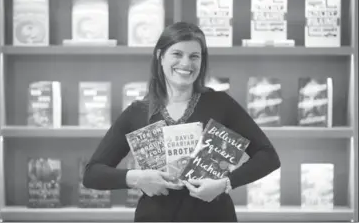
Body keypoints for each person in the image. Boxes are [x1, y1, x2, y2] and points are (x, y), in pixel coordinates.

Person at [82, 21, 281, 222]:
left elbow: (268, 156)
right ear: (160, 56)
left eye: (194, 56)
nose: (186, 63)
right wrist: (137, 179)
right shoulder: (138, 112)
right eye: (177, 54)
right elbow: (92, 173)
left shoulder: (221, 104)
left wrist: (225, 183)